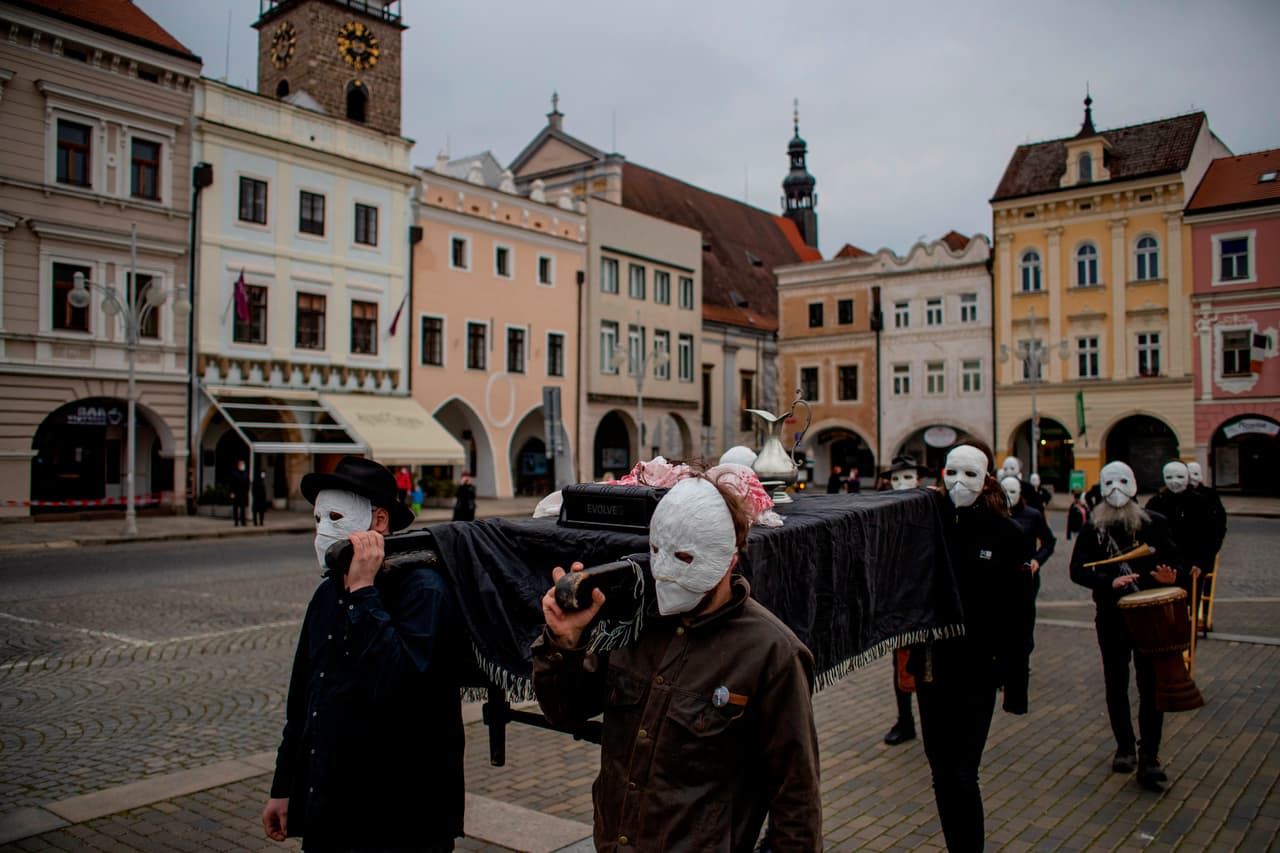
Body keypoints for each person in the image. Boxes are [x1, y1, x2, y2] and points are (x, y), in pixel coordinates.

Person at [533, 476, 823, 851]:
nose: (665, 571)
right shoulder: (635, 623)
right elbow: (565, 711)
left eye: (685, 558)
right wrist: (565, 642)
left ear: (730, 559)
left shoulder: (772, 653)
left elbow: (796, 804)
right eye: (657, 550)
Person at [262, 456, 465, 850]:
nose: (322, 532)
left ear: (380, 522)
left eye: (336, 516)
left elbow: (403, 683)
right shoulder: (326, 594)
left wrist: (364, 594)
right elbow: (306, 699)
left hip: (398, 821)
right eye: (318, 519)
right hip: (329, 816)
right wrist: (284, 787)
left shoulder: (423, 590)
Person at [911, 443, 1034, 852]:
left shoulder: (1007, 533)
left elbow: (1020, 615)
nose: (959, 483)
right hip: (932, 667)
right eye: (951, 473)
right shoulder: (931, 524)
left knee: (964, 772)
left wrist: (1016, 685)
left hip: (978, 669)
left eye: (969, 475)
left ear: (985, 481)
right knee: (941, 772)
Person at [1069, 460, 1187, 792]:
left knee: (1151, 685)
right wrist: (1109, 582)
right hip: (1112, 616)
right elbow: (1078, 570)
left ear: (1133, 485)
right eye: (1110, 483)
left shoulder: (1155, 523)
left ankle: (1150, 754)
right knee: (1116, 683)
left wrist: (1172, 575)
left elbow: (1178, 560)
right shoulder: (1094, 527)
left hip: (1150, 618)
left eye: (1123, 481)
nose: (1117, 490)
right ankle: (1124, 746)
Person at [879, 455, 924, 746]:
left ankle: (936, 720)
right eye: (896, 478)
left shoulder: (930, 508)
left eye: (907, 477)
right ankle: (905, 720)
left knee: (933, 667)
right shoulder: (886, 513)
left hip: (927, 599)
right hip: (899, 602)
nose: (901, 484)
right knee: (902, 665)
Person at [1186, 461, 1227, 624]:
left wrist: (1214, 543)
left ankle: (1203, 615)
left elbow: (1219, 522)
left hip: (1205, 550)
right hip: (1187, 552)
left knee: (1205, 582)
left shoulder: (1209, 495)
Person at [229, 460, 249, 527]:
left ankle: (243, 522)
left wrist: (247, 491)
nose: (242, 466)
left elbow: (247, 483)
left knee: (243, 508)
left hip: (243, 493)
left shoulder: (245, 473)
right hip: (236, 493)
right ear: (238, 465)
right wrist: (232, 492)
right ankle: (236, 522)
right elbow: (232, 484)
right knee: (236, 508)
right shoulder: (234, 473)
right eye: (241, 464)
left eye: (243, 464)